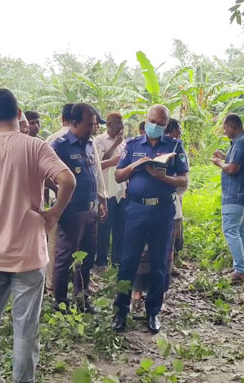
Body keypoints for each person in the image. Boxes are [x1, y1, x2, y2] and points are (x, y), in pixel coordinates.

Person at [0, 88, 76, 383]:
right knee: (25, 328)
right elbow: (67, 180)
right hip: (28, 253)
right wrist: (53, 214)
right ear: (19, 113)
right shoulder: (35, 147)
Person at [111, 105, 189, 334]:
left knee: (158, 264)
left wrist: (161, 177)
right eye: (152, 121)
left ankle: (153, 312)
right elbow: (117, 175)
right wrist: (135, 166)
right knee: (128, 262)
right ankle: (121, 311)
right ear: (146, 121)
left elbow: (183, 181)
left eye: (161, 124)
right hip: (136, 209)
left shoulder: (174, 146)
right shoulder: (133, 145)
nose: (155, 126)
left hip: (162, 210)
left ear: (166, 126)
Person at [50, 103, 108, 312]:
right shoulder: (60, 146)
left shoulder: (89, 144)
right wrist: (58, 198)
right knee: (65, 257)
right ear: (74, 123)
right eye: (90, 125)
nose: (94, 129)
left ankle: (82, 297)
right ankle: (60, 301)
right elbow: (46, 175)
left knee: (87, 255)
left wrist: (101, 200)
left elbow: (95, 175)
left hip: (91, 209)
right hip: (72, 211)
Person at [210, 113, 244, 283]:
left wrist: (218, 164)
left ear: (232, 126)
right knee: (240, 231)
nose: (224, 131)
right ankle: (241, 266)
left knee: (230, 230)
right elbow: (238, 162)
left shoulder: (240, 143)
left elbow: (232, 169)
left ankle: (241, 269)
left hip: (235, 195)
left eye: (225, 128)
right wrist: (224, 157)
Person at [95, 112, 127, 268]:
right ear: (108, 125)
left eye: (121, 123)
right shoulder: (99, 140)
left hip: (121, 190)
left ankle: (117, 259)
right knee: (104, 228)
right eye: (117, 123)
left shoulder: (124, 143)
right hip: (106, 190)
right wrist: (114, 145)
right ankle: (101, 260)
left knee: (120, 227)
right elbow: (97, 164)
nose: (120, 126)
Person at [165, 118, 186, 275]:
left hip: (176, 194)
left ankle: (171, 264)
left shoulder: (179, 146)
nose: (179, 131)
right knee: (167, 232)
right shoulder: (167, 146)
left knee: (175, 233)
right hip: (167, 194)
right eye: (177, 128)